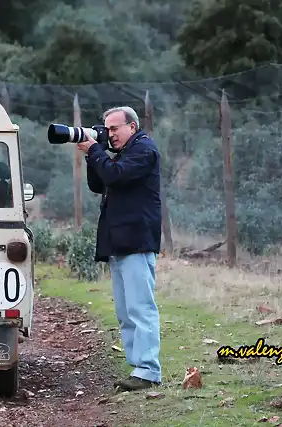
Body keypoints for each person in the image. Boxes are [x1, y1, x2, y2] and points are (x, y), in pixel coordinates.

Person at [77, 106, 162, 392]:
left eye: (114, 129)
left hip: (136, 242)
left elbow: (115, 175)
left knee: (141, 308)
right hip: (120, 242)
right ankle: (138, 368)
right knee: (126, 312)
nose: (109, 134)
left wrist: (95, 151)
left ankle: (149, 370)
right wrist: (94, 153)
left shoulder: (144, 150)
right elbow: (97, 183)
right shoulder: (124, 154)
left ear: (133, 127)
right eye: (107, 129)